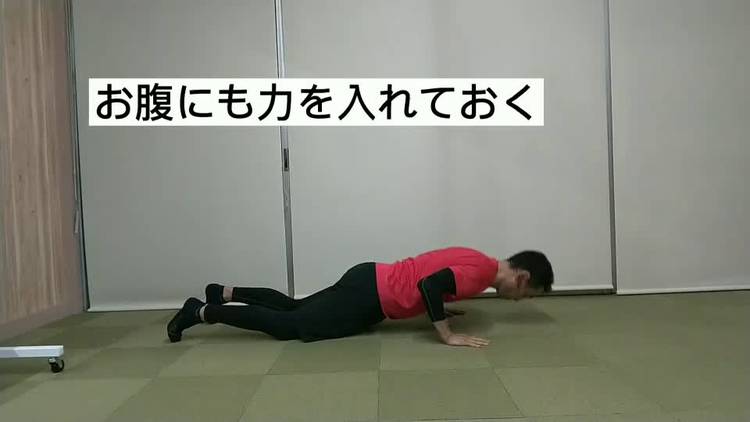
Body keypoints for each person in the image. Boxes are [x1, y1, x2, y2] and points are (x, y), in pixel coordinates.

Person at [167, 246, 553, 348]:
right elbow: (429, 285)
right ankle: (202, 311)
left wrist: (440, 307)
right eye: (524, 295)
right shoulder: (482, 274)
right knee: (292, 326)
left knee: (295, 306)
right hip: (370, 296)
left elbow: (431, 280)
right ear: (521, 278)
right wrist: (447, 334)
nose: (517, 301)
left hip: (369, 277)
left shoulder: (480, 262)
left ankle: (224, 292)